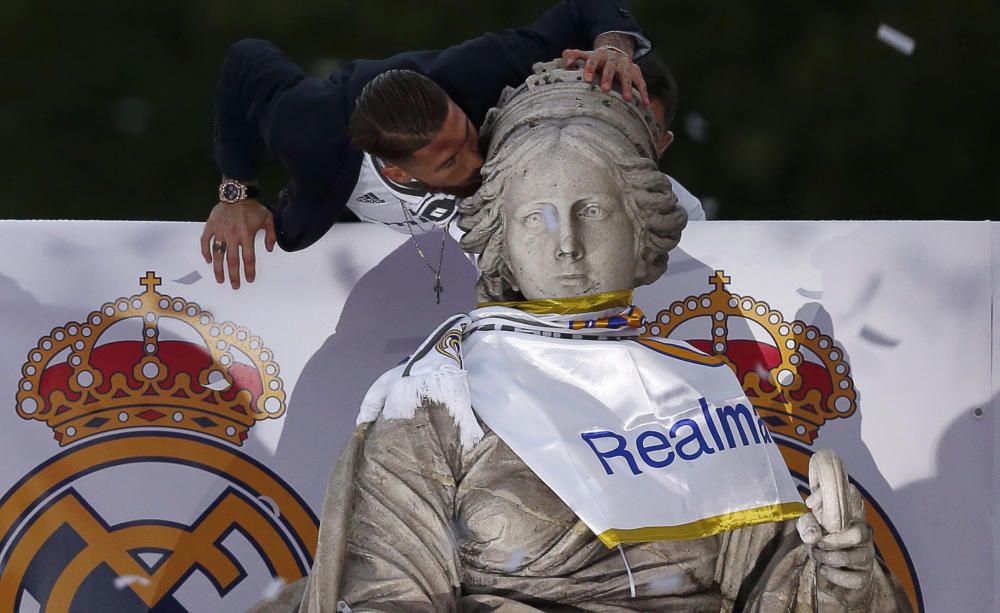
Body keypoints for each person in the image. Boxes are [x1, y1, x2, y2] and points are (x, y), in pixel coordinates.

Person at [249, 61, 909, 613]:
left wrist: (834, 580)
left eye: (592, 210)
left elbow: (772, 588)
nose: (568, 245)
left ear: (640, 224)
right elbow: (388, 598)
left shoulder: (698, 391)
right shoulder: (433, 398)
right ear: (499, 232)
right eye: (537, 216)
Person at [203, 0, 652, 289]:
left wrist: (613, 49)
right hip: (369, 276)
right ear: (398, 172)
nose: (478, 162)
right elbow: (246, 61)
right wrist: (236, 191)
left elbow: (582, 9)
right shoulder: (307, 131)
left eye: (467, 135)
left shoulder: (476, 71)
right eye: (451, 160)